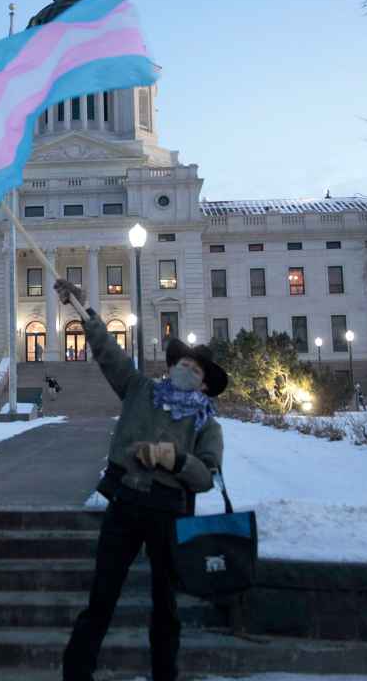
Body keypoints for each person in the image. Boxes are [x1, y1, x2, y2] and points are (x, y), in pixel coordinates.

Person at [53, 280, 226, 681]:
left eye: (195, 368)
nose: (186, 368)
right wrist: (82, 308)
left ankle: (165, 675)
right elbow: (109, 353)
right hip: (126, 505)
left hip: (169, 514)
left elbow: (206, 476)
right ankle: (76, 675)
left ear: (203, 383)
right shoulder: (140, 390)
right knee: (101, 599)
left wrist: (174, 458)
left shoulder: (207, 424)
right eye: (182, 362)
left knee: (165, 605)